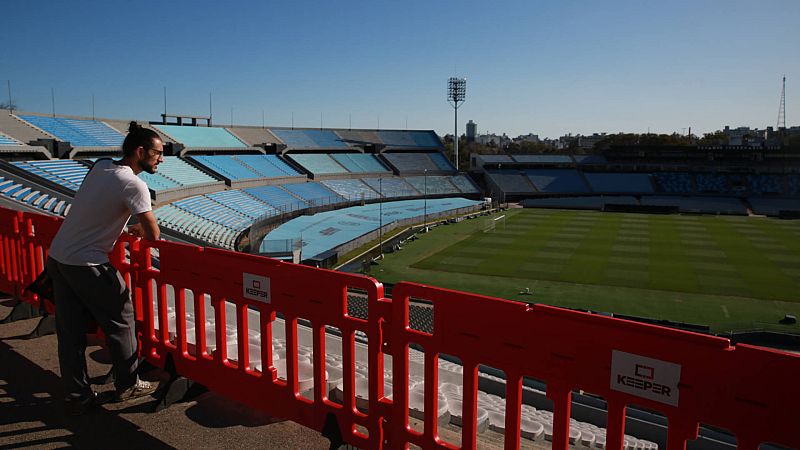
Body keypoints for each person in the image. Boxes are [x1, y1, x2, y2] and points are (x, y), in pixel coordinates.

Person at [46, 121, 163, 414]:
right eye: (157, 153)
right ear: (140, 151)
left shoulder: (101, 166)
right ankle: (128, 383)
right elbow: (154, 235)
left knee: (70, 331)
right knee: (122, 318)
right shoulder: (135, 184)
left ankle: (77, 393)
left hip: (59, 256)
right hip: (87, 262)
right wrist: (138, 227)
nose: (161, 159)